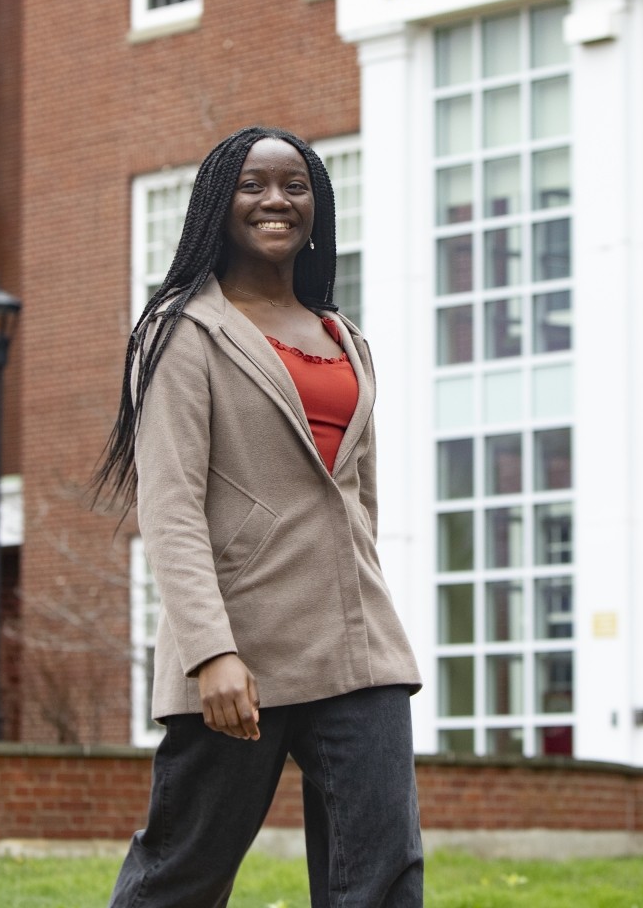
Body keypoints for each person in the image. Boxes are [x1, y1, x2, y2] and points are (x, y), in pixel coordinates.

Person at [94, 126, 423, 907]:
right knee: (185, 872)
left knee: (384, 876)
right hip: (241, 645)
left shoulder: (348, 341)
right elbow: (170, 506)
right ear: (218, 203)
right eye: (254, 184)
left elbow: (358, 499)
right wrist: (210, 652)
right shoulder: (182, 332)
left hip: (359, 648)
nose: (277, 199)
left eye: (296, 185)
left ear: (318, 205)